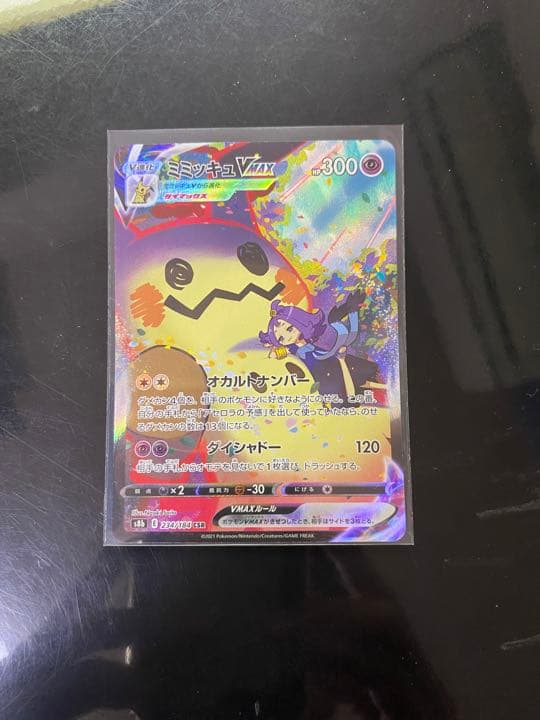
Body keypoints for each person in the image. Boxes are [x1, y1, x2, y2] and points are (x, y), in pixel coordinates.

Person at [259, 291, 378, 404]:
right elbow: (273, 354)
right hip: (319, 373)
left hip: (328, 360)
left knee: (355, 374)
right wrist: (273, 346)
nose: (287, 336)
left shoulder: (309, 342)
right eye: (280, 338)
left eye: (290, 328)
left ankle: (352, 311)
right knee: (343, 387)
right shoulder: (292, 348)